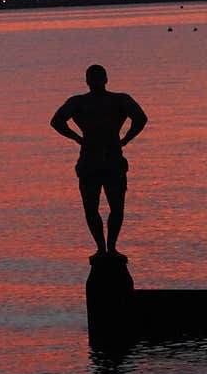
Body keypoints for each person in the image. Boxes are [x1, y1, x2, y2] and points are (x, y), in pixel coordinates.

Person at [50, 65, 147, 259]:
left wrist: (125, 139)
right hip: (96, 160)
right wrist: (78, 138)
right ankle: (104, 249)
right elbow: (56, 121)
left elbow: (141, 118)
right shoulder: (88, 102)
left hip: (105, 159)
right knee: (96, 207)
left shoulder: (113, 100)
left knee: (112, 207)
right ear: (103, 80)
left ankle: (108, 248)